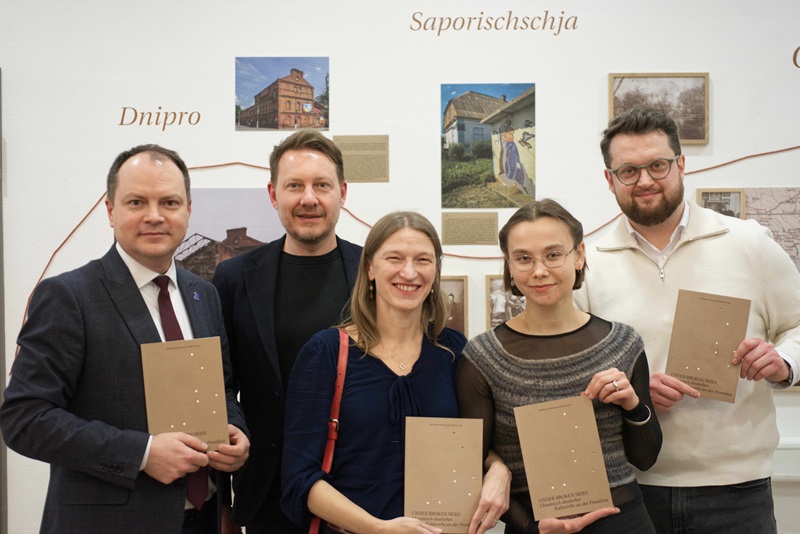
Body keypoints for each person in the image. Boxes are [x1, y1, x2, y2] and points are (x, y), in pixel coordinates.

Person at [0, 144, 250, 533]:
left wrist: (235, 432)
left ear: (187, 210)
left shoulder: (205, 295)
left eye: (169, 202)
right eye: (136, 202)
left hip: (203, 520)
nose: (154, 216)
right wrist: (142, 453)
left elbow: (223, 388)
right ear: (110, 211)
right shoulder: (68, 296)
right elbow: (25, 418)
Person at [574, 107, 800, 533]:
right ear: (609, 179)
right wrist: (633, 388)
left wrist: (784, 361)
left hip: (739, 491)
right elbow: (574, 372)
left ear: (680, 164)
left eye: (657, 165)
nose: (644, 180)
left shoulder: (748, 242)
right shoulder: (589, 264)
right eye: (628, 170)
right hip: (630, 489)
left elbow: (798, 326)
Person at [281, 211, 509, 534]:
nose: (409, 271)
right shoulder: (328, 352)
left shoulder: (453, 350)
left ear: (435, 270)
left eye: (423, 260)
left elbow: (476, 443)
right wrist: (378, 528)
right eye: (395, 258)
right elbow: (299, 478)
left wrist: (499, 468)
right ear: (370, 268)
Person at [458, 199, 662, 534]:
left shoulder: (623, 343)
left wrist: (633, 405)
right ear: (509, 265)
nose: (539, 271)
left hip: (623, 521)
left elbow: (646, 458)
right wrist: (531, 527)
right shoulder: (483, 357)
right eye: (523, 258)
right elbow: (473, 461)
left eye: (553, 255)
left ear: (579, 255)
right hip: (536, 527)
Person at [211, 130, 362, 532]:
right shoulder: (233, 278)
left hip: (360, 494)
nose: (308, 198)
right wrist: (220, 504)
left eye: (322, 185)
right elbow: (218, 390)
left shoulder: (375, 273)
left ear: (342, 192)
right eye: (294, 185)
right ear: (273, 194)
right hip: (266, 494)